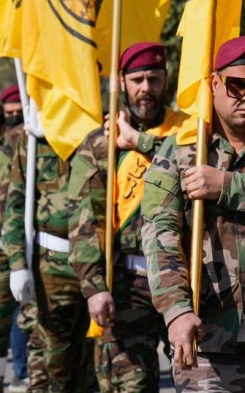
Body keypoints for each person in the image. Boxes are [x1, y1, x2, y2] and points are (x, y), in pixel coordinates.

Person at [142, 33, 245, 392]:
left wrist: (226, 186)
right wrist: (176, 310)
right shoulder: (181, 151)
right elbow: (160, 234)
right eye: (238, 85)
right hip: (208, 342)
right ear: (214, 83)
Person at [68, 42, 192, 392]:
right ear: (122, 82)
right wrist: (94, 286)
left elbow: (193, 163)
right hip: (126, 282)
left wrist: (140, 141)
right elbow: (84, 219)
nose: (146, 88)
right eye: (137, 80)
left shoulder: (188, 133)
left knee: (194, 379)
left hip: (184, 279)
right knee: (129, 385)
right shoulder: (100, 144)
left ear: (166, 79)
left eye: (154, 78)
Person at [2, 96, 93, 392]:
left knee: (92, 362)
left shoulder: (98, 133)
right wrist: (18, 264)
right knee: (54, 360)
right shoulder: (30, 142)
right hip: (51, 265)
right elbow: (15, 208)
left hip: (97, 264)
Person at [0, 90, 46, 393]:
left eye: (20, 110)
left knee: (38, 315)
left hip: (37, 242)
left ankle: (35, 375)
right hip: (1, 245)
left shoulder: (40, 142)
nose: (15, 117)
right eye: (10, 112)